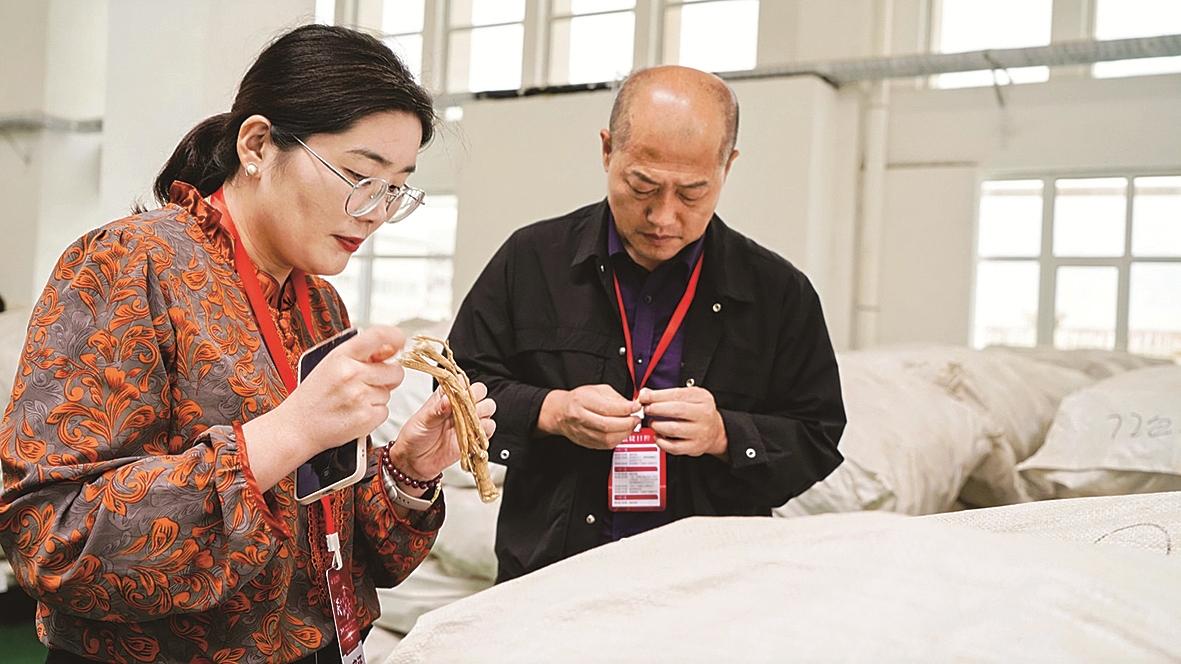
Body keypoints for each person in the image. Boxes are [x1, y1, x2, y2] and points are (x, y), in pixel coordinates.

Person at [0, 25, 495, 663]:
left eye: (395, 189)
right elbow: (48, 538)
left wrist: (407, 469)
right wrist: (286, 433)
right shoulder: (130, 264)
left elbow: (327, 535)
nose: (375, 211)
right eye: (359, 175)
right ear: (257, 144)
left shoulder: (320, 304)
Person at [449, 65, 846, 583]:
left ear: (728, 166)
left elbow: (817, 435)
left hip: (710, 585)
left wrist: (725, 433)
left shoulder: (777, 292)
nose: (663, 217)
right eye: (642, 186)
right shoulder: (532, 260)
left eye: (692, 193)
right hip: (552, 575)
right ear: (607, 150)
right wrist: (553, 411)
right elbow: (454, 387)